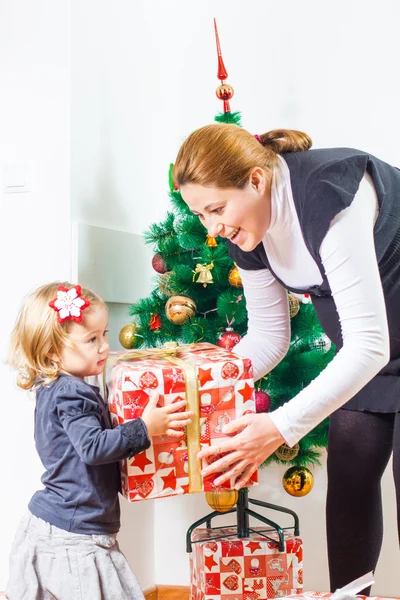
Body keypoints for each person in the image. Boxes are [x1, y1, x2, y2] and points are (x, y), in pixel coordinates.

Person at [173, 123, 400, 594]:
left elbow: (369, 343)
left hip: (372, 344)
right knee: (350, 485)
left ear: (256, 180)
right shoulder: (245, 233)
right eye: (200, 214)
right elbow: (269, 339)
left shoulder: (325, 195)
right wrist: (201, 382)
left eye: (216, 208)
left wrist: (280, 426)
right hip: (373, 351)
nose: (212, 228)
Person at [6, 282, 192, 600]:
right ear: (52, 351)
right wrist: (145, 427)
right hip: (74, 535)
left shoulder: (55, 388)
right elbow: (92, 448)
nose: (104, 346)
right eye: (92, 339)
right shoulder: (70, 392)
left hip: (68, 525)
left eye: (104, 334)